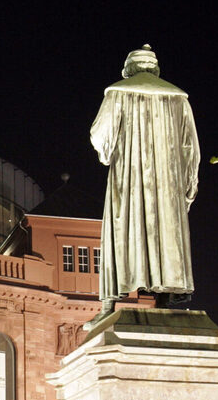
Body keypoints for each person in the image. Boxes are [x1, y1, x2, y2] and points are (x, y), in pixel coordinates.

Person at [86, 45, 201, 326]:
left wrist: (108, 152)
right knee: (164, 231)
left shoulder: (117, 93)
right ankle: (162, 298)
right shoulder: (178, 98)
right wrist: (188, 183)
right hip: (167, 184)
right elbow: (191, 148)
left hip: (129, 177)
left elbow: (101, 136)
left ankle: (108, 304)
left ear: (129, 69)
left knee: (123, 229)